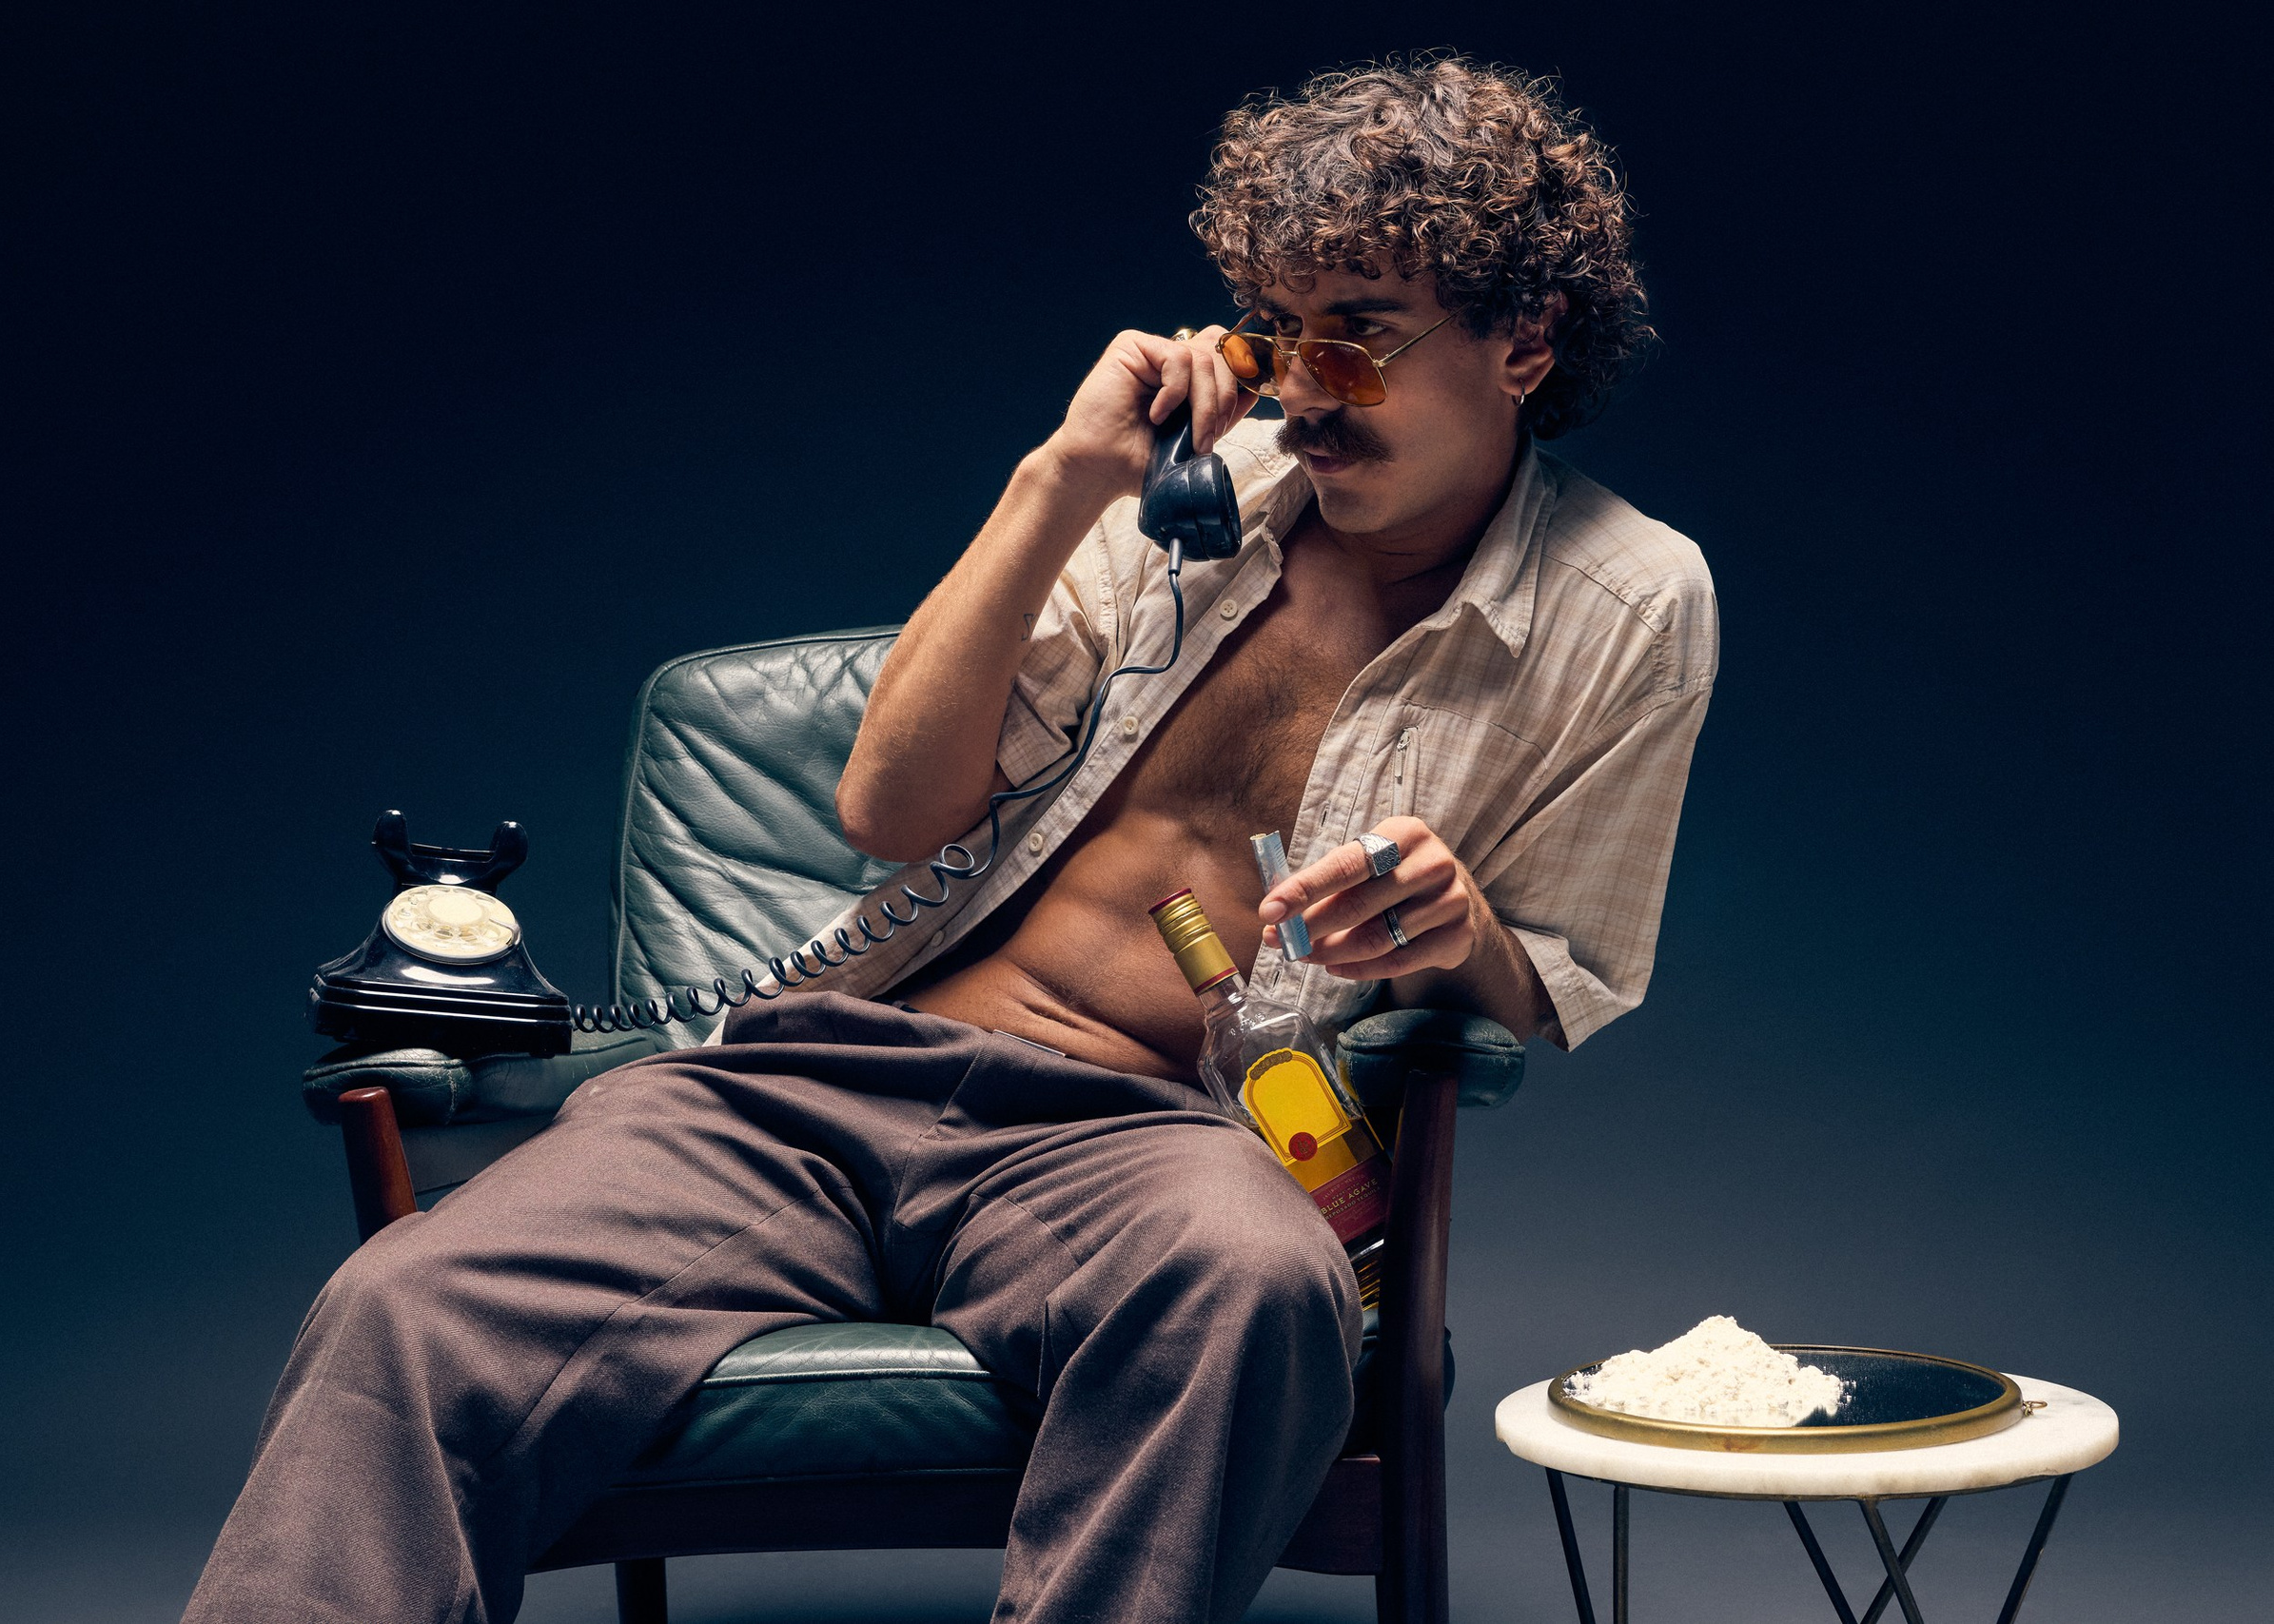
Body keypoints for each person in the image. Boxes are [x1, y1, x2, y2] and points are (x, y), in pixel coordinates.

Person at [185, 54, 1715, 1624]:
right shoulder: (1194, 498)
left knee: (1256, 1289)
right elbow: (888, 811)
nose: (1305, 393)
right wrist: (1061, 481)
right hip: (821, 1083)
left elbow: (1555, 977)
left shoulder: (1626, 604)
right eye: (1275, 334)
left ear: (1525, 341)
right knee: (410, 1306)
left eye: (1358, 337)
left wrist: (1460, 932)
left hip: (1150, 1142)